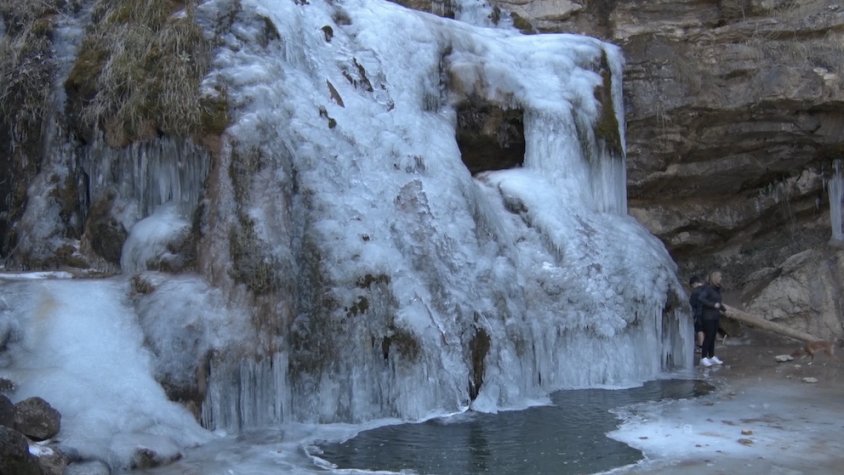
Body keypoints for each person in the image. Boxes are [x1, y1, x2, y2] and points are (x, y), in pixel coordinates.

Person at [697, 271, 725, 366]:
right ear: (715, 278)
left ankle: (712, 356)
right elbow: (701, 298)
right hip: (707, 317)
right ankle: (703, 357)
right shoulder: (708, 289)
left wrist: (724, 310)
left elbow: (718, 302)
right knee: (708, 336)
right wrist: (713, 305)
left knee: (713, 337)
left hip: (715, 316)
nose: (721, 278)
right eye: (720, 277)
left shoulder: (717, 289)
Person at [688, 275, 705, 352]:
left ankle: (701, 347)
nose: (692, 288)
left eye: (692, 286)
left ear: (694, 284)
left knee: (699, 330)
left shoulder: (695, 292)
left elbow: (691, 304)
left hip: (700, 313)